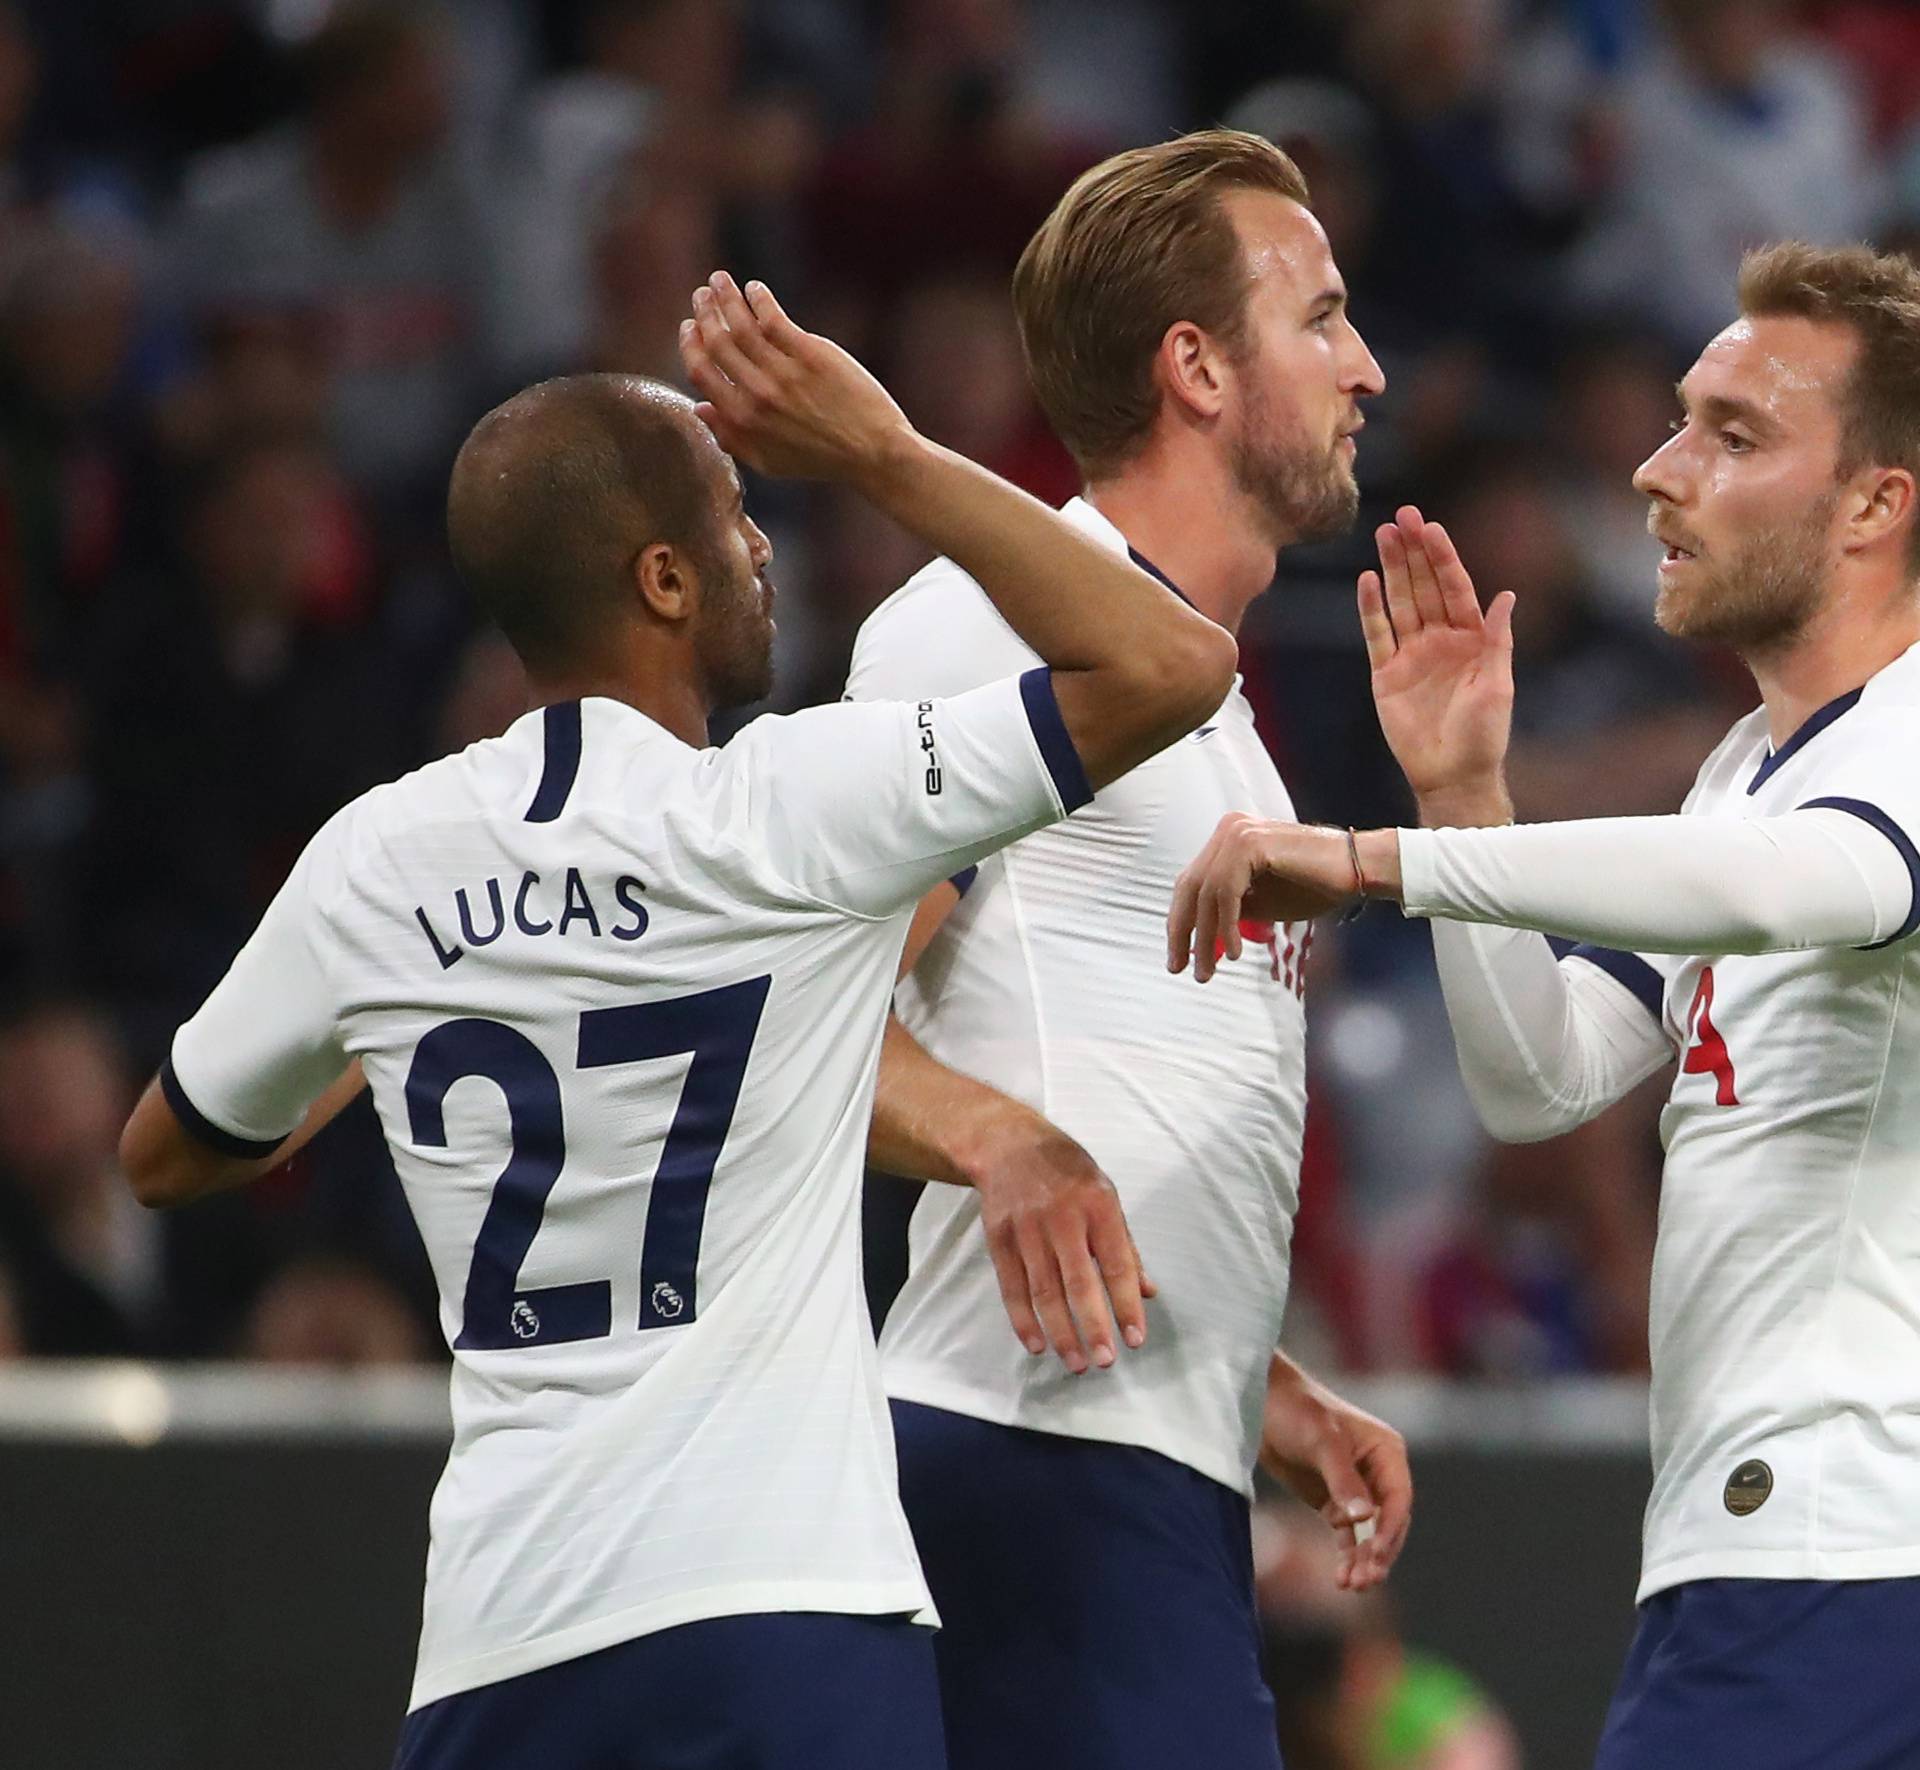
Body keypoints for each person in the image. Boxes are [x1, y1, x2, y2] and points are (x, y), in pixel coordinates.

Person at [118, 272, 1236, 1770]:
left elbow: (165, 1151)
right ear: (662, 579)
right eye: (731, 510)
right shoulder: (796, 808)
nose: (762, 541)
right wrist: (885, 454)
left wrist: (388, 1033)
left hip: (506, 1643)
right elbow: (1172, 660)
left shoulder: (377, 864)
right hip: (793, 1614)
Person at [1169, 240, 1920, 1769]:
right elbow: (1546, 1077)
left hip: (1852, 1535)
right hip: (1779, 1539)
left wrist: (1383, 862)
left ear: (1875, 503)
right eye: (1677, 420)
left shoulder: (1894, 750)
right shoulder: (1752, 772)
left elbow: (1800, 885)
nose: (1655, 471)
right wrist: (1461, 798)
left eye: (1731, 433)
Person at [845, 129, 1411, 1770]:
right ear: (1196, 370)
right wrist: (996, 1139)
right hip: (1020, 1471)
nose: (1366, 366)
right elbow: (793, 1018)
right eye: (1320, 318)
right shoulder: (998, 619)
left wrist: (1256, 1377)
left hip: (1143, 1472)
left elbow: (1091, 1051)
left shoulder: (1219, 713)